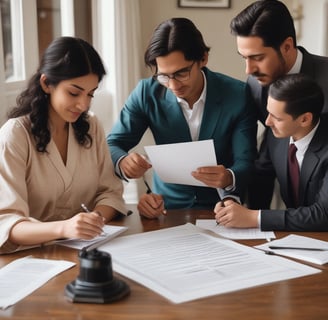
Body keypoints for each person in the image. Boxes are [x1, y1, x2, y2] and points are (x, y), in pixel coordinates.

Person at [107, 17, 258, 219]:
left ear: (203, 59)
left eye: (181, 73)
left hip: (222, 209)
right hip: (165, 209)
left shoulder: (237, 94)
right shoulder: (146, 92)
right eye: (164, 75)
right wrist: (123, 161)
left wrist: (228, 177)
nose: (173, 85)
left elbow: (246, 160)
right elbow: (113, 144)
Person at [0, 36, 130, 254]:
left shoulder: (91, 125)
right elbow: (5, 223)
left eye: (91, 94)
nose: (83, 104)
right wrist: (64, 228)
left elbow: (110, 192)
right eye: (74, 92)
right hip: (30, 258)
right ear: (46, 83)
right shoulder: (15, 135)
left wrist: (94, 219)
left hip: (83, 250)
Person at [230, 0, 328, 209]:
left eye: (257, 57)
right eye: (244, 58)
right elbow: (269, 153)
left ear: (286, 46)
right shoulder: (256, 86)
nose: (249, 70)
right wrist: (254, 221)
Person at [214, 74, 328, 231]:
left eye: (277, 118)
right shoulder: (278, 134)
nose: (267, 122)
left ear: (305, 119)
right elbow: (260, 175)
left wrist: (254, 218)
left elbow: (323, 215)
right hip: (297, 237)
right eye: (268, 112)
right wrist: (232, 200)